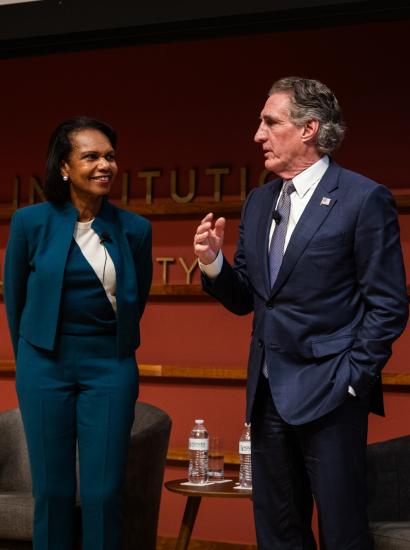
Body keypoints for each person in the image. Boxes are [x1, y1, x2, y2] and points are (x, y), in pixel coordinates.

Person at [193, 77, 408, 549]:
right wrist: (212, 262)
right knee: (279, 531)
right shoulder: (259, 200)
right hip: (268, 395)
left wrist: (354, 378)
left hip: (332, 395)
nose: (258, 135)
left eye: (270, 122)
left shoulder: (361, 198)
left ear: (309, 128)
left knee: (342, 532)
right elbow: (245, 297)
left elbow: (389, 304)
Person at [4, 116, 152, 550]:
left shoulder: (136, 229)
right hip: (43, 365)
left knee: (103, 493)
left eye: (110, 156)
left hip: (109, 366)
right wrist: (30, 360)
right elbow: (15, 300)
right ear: (64, 167)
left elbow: (134, 300)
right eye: (91, 156)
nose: (104, 164)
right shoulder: (30, 223)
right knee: (51, 492)